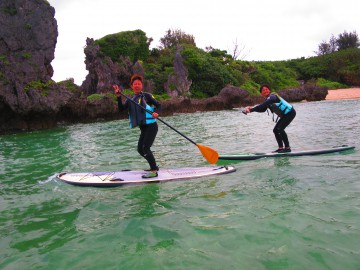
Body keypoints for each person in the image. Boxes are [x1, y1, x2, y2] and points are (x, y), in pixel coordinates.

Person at [113, 74, 161, 178]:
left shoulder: (147, 96)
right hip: (143, 128)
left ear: (142, 85)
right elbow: (121, 109)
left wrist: (157, 112)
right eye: (135, 84)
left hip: (152, 126)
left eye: (139, 84)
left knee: (145, 147)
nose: (137, 85)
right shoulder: (131, 99)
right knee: (140, 149)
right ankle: (154, 166)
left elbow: (159, 105)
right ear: (132, 86)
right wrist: (118, 97)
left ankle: (153, 170)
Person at [244, 84, 296, 153]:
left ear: (269, 90)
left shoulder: (273, 96)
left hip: (290, 113)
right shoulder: (267, 100)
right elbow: (262, 109)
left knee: (280, 129)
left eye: (266, 89)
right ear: (261, 93)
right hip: (285, 115)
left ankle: (287, 148)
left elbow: (263, 104)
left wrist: (251, 109)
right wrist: (252, 110)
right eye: (263, 90)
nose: (265, 91)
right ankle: (280, 148)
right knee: (275, 130)